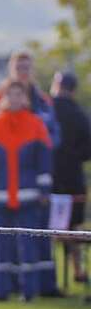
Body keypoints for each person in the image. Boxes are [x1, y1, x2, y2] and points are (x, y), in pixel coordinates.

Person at [0, 50, 61, 296]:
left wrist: (40, 173)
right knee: (3, 243)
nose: (23, 71)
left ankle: (38, 288)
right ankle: (4, 289)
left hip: (29, 187)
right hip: (4, 190)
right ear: (12, 69)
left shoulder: (42, 103)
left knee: (33, 242)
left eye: (27, 67)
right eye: (19, 67)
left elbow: (52, 139)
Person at [49, 71, 91, 286]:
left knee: (46, 228)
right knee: (73, 227)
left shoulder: (46, 109)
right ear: (74, 89)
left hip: (49, 177)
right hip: (74, 179)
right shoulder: (81, 114)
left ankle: (50, 275)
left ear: (57, 85)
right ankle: (77, 269)